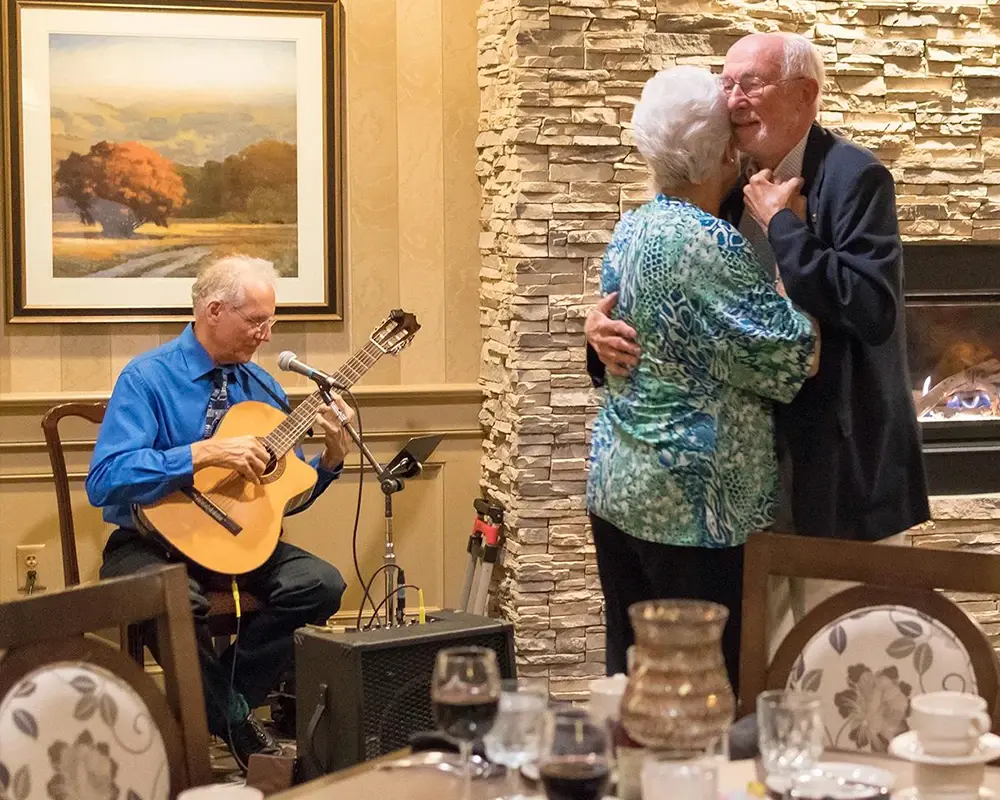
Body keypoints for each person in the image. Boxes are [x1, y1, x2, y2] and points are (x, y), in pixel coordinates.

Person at [587, 32, 929, 546]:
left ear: (805, 94)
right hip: (743, 479)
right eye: (726, 85)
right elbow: (686, 302)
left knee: (840, 604)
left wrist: (783, 227)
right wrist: (600, 334)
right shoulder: (723, 179)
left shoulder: (856, 177)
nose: (733, 100)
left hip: (836, 476)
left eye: (750, 84)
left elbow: (872, 310)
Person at [586, 64, 820, 688]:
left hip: (618, 487)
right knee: (705, 692)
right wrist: (788, 235)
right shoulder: (709, 243)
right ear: (719, 154)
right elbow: (796, 354)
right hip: (694, 510)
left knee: (636, 679)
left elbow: (634, 335)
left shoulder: (633, 225)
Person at [86, 255, 352, 769]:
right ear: (213, 311)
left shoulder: (263, 387)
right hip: (148, 542)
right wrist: (202, 453)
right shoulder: (147, 378)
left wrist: (330, 460)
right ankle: (236, 722)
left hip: (235, 540)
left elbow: (285, 492)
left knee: (320, 584)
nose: (266, 335)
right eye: (256, 321)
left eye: (271, 322)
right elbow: (105, 480)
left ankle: (217, 709)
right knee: (171, 598)